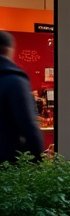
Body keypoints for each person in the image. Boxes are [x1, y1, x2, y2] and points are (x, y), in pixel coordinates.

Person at [0, 31, 43, 164]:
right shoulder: (15, 80)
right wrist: (37, 160)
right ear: (9, 50)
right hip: (7, 160)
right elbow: (28, 125)